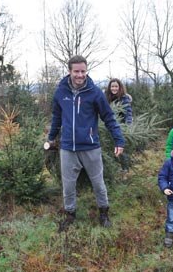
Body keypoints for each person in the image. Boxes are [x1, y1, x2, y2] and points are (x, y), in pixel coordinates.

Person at [47, 55, 125, 232]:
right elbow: (56, 118)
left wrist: (119, 139)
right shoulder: (60, 92)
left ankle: (104, 213)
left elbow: (109, 118)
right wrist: (51, 138)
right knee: (68, 186)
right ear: (69, 71)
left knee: (98, 183)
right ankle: (70, 215)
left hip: (90, 147)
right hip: (67, 147)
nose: (80, 75)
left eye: (83, 71)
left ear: (86, 71)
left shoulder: (95, 93)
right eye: (76, 71)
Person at [105, 78, 132, 172]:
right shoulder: (106, 98)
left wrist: (127, 125)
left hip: (121, 126)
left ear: (120, 87)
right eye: (112, 86)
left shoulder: (124, 99)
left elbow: (128, 113)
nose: (114, 88)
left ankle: (125, 169)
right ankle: (112, 168)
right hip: (107, 126)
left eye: (116, 86)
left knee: (121, 148)